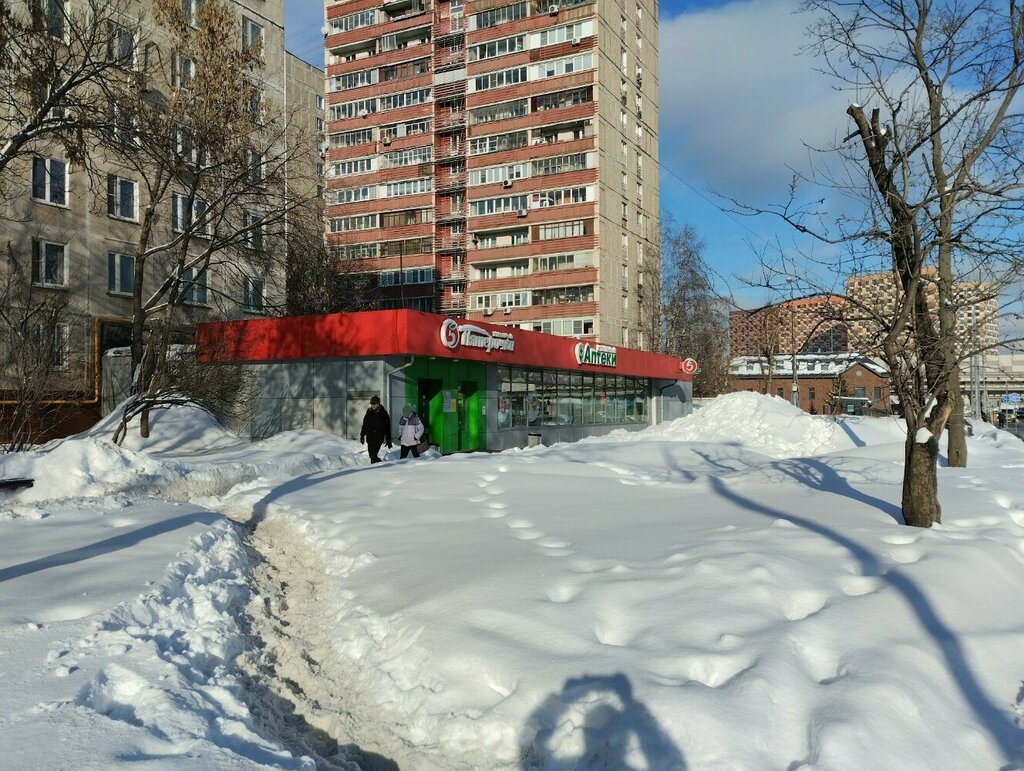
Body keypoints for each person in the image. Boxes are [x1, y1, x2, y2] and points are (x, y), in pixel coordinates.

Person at [359, 396, 391, 463]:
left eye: (374, 404)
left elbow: (387, 428)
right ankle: (378, 466)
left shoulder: (383, 413)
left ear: (378, 404)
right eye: (371, 404)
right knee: (371, 456)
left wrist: (388, 440)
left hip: (378, 437)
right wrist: (362, 435)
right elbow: (365, 424)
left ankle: (377, 468)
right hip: (370, 437)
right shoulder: (369, 411)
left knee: (373, 455)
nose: (372, 405)